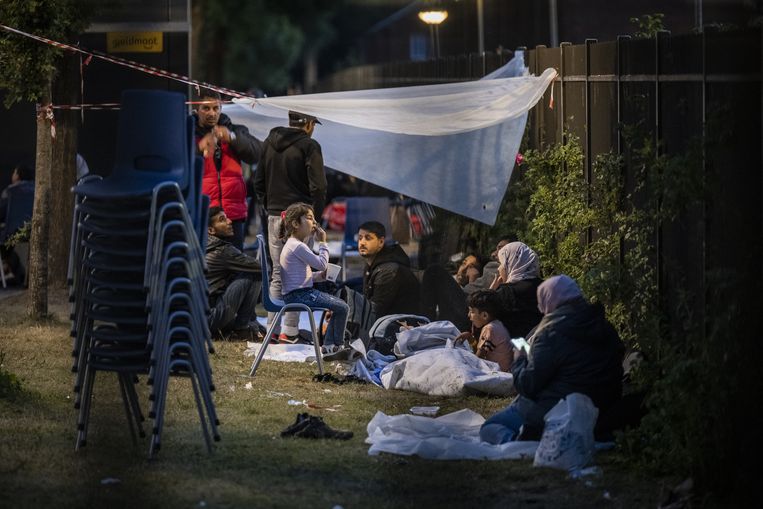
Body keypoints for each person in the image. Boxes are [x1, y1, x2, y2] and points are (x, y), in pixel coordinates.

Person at [480, 275, 625, 444]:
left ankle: (521, 440)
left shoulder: (551, 332)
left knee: (490, 427)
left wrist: (520, 358)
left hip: (558, 408)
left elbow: (528, 385)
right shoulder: (604, 325)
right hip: (601, 408)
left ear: (548, 300)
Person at [253, 110, 327, 341]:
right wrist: (314, 215)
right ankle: (290, 332)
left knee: (278, 272)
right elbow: (319, 186)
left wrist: (270, 207)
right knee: (301, 274)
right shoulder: (309, 145)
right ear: (308, 124)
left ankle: (272, 332)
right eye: (313, 123)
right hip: (301, 217)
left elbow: (258, 182)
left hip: (275, 215)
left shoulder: (268, 143)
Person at [279, 203, 349, 358]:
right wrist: (323, 241)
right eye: (310, 218)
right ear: (296, 224)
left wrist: (320, 276)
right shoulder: (297, 246)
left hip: (298, 292)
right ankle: (337, 347)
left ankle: (330, 346)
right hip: (300, 295)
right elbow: (321, 264)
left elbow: (299, 276)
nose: (315, 223)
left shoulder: (294, 245)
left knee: (339, 306)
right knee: (342, 307)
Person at [195, 89, 262, 251]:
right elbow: (178, 162)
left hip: (232, 214)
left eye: (216, 108)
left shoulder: (235, 130)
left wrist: (231, 138)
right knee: (205, 266)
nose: (212, 113)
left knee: (235, 266)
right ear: (196, 109)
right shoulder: (187, 133)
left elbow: (256, 153)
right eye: (206, 108)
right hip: (203, 213)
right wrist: (199, 148)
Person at [420, 239, 509, 330]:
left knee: (434, 270)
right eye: (464, 263)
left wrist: (472, 279)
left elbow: (484, 298)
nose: (494, 253)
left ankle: (422, 323)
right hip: (460, 309)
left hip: (469, 310)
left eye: (501, 249)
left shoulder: (499, 267)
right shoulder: (453, 281)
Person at [205, 206, 263, 340]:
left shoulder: (204, 245)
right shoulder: (223, 250)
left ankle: (242, 326)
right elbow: (260, 267)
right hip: (211, 317)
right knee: (254, 274)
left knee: (260, 329)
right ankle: (241, 329)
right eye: (222, 220)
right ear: (211, 230)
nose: (230, 221)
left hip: (200, 318)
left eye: (227, 217)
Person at [358, 220, 420, 318]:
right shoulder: (371, 264)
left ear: (381, 242)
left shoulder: (387, 270)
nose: (362, 243)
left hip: (404, 325)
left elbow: (374, 311)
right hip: (390, 320)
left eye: (368, 238)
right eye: (360, 238)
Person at [490, 241, 544, 338]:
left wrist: (492, 290)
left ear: (509, 263)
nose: (499, 268)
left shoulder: (506, 292)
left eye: (502, 263)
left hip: (517, 348)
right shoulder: (545, 287)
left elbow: (484, 315)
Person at [456, 290, 513, 371]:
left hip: (499, 373)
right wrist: (470, 338)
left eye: (472, 311)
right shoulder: (497, 324)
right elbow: (481, 351)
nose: (468, 315)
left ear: (484, 315)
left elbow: (477, 359)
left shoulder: (489, 329)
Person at [0, 164, 34, 286]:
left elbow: (1, 212)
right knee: (7, 250)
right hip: (30, 232)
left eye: (14, 172)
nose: (12, 175)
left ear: (18, 175)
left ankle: (17, 274)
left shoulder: (10, 191)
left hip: (10, 233)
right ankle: (20, 276)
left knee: (5, 249)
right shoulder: (36, 190)